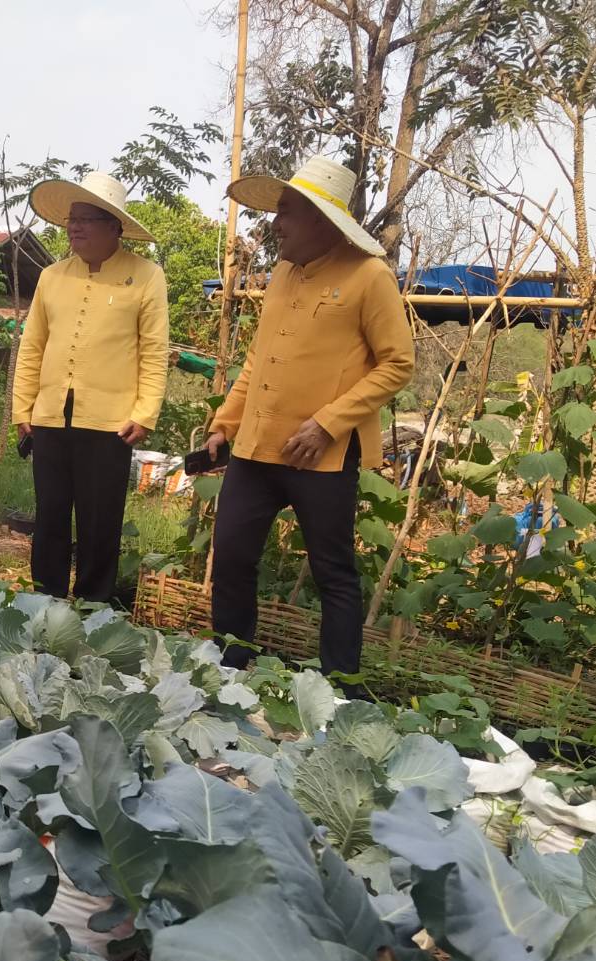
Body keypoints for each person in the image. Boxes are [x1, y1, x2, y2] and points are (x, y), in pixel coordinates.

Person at [203, 154, 415, 678]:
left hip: (321, 455)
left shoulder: (369, 277)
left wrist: (328, 422)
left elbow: (398, 363)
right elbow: (258, 359)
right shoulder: (281, 274)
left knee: (333, 572)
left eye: (286, 212)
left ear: (322, 220)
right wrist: (224, 423)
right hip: (256, 446)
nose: (275, 224)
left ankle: (339, 685)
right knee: (230, 556)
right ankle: (232, 669)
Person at [13, 172, 169, 603]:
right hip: (49, 417)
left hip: (111, 422)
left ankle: (94, 608)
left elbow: (154, 351)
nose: (75, 227)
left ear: (115, 226)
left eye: (87, 219)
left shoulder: (145, 276)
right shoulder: (52, 276)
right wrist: (22, 409)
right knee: (50, 517)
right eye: (71, 219)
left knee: (100, 521)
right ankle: (45, 600)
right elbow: (32, 347)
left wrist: (145, 412)